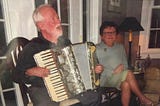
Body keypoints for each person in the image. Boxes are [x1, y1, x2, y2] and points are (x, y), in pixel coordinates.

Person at [13, 4, 103, 106]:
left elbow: (78, 66)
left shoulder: (66, 42)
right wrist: (30, 71)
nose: (58, 21)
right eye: (53, 19)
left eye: (58, 18)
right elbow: (16, 75)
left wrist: (94, 69)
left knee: (95, 96)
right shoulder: (32, 47)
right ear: (41, 25)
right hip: (44, 90)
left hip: (70, 88)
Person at [96, 21, 153, 106]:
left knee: (126, 84)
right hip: (106, 80)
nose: (110, 35)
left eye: (113, 32)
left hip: (119, 77)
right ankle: (142, 98)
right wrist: (114, 72)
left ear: (116, 35)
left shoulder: (120, 47)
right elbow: (95, 69)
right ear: (101, 36)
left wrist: (122, 69)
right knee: (129, 73)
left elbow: (125, 65)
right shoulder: (96, 49)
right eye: (107, 33)